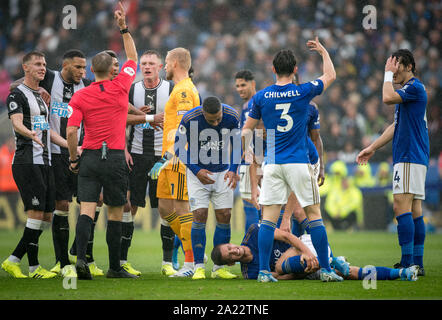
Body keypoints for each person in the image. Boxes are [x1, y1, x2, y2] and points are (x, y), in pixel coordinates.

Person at [242, 38, 341, 282]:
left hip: (273, 163)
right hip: (298, 161)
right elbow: (330, 75)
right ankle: (326, 270)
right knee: (314, 214)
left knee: (268, 220)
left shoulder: (261, 97)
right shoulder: (304, 91)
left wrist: (246, 153)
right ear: (295, 70)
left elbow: (246, 131)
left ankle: (264, 271)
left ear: (273, 70)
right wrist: (323, 51)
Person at [66, 2, 138, 279]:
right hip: (116, 156)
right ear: (112, 71)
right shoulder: (121, 86)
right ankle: (114, 268)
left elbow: (72, 132)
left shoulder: (80, 95)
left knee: (86, 210)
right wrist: (123, 27)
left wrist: (74, 159)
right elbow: (132, 55)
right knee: (116, 212)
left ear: (93, 70)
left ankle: (81, 261)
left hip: (91, 157)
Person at [357, 49, 429, 276]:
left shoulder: (414, 88)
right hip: (414, 156)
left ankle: (408, 262)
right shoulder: (410, 92)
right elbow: (395, 126)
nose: (393, 71)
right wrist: (372, 147)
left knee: (400, 206)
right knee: (415, 209)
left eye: (396, 66)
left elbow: (386, 98)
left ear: (408, 66)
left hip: (408, 156)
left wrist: (387, 75)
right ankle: (417, 263)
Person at [1, 51, 67, 279]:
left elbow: (47, 131)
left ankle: (25, 265)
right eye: (38, 64)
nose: (42, 67)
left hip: (45, 161)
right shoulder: (16, 95)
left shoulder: (40, 96)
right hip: (27, 161)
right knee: (36, 213)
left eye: (44, 64)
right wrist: (29, 133)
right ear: (25, 67)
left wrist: (71, 145)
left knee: (46, 217)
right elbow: (17, 122)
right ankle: (23, 264)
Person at [174, 96, 241, 280]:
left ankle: (219, 267)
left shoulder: (232, 116)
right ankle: (199, 266)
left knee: (225, 216)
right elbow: (178, 147)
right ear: (203, 113)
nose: (217, 122)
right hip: (198, 173)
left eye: (219, 118)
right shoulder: (190, 118)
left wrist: (234, 170)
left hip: (223, 172)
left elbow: (238, 146)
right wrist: (196, 171)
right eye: (212, 120)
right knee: (200, 216)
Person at [211, 223, 419, 282]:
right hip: (305, 266)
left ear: (230, 242)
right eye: (230, 255)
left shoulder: (254, 232)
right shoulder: (250, 273)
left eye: (229, 247)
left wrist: (307, 253)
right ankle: (402, 274)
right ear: (231, 264)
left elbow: (287, 236)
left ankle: (326, 260)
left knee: (278, 265)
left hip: (306, 244)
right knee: (352, 274)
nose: (234, 251)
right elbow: (282, 278)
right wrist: (304, 270)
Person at [149, 47, 201, 277]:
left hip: (180, 158)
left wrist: (167, 158)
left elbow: (184, 131)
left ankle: (190, 263)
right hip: (169, 158)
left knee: (181, 209)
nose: (164, 67)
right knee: (164, 208)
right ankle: (193, 246)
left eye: (167, 63)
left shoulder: (183, 92)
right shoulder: (179, 89)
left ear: (177, 64)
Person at [122, 49, 169, 276]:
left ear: (160, 67)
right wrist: (124, 148)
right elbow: (119, 118)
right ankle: (122, 260)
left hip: (162, 156)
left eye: (152, 63)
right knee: (131, 206)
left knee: (166, 209)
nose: (147, 66)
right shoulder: (132, 89)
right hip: (137, 155)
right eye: (144, 63)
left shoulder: (170, 90)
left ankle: (168, 263)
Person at [234, 70, 261, 234]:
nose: (239, 89)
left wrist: (257, 163)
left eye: (243, 85)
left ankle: (250, 248)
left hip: (255, 160)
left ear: (253, 84)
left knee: (252, 206)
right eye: (237, 86)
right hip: (252, 160)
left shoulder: (254, 104)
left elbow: (259, 134)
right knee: (255, 206)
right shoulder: (246, 106)